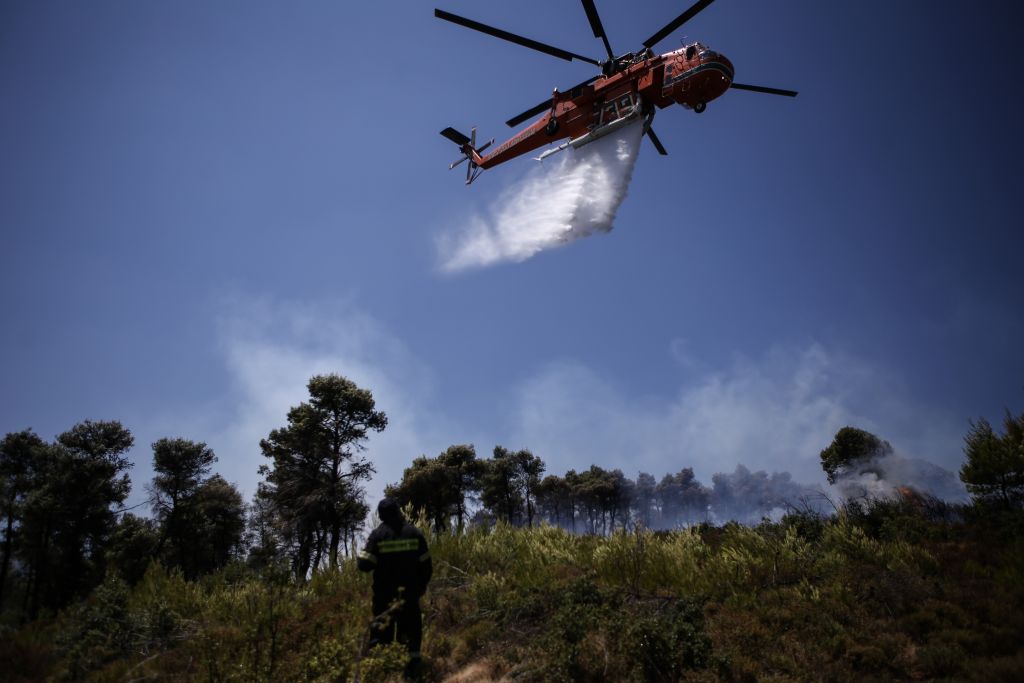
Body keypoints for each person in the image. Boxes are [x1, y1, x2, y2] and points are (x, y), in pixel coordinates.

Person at [357, 497, 432, 672]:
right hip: (409, 595)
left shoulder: (377, 535)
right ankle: (412, 671)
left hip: (384, 597)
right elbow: (426, 566)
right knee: (411, 633)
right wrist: (421, 587)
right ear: (399, 511)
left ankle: (382, 671)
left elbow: (364, 565)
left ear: (381, 515)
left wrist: (363, 554)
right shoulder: (415, 533)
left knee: (381, 633)